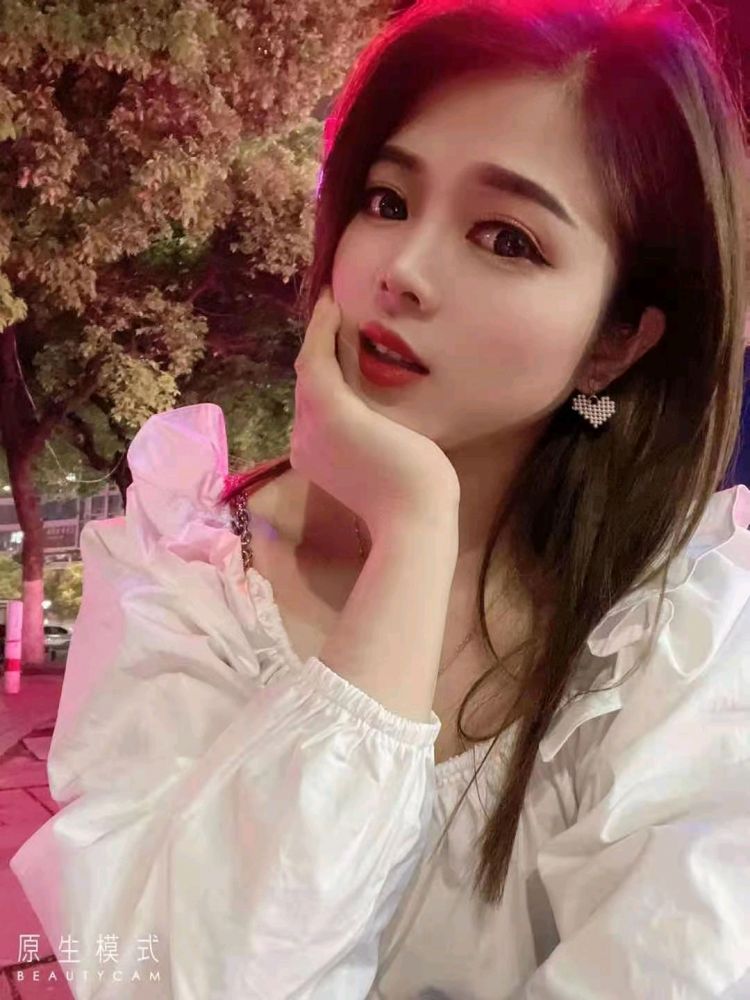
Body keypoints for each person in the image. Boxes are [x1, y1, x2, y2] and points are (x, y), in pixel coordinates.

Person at [10, 0, 750, 997]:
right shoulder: (187, 572)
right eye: (388, 200)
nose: (401, 271)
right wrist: (412, 538)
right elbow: (174, 978)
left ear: (615, 342)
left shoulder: (685, 639)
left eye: (507, 238)